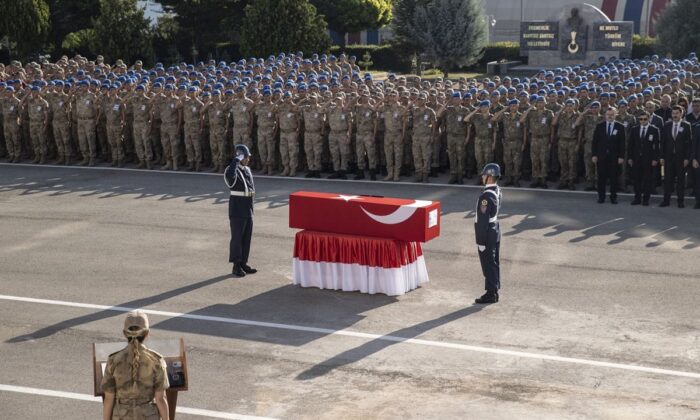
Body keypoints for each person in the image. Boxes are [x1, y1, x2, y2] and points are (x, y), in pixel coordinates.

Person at [101, 311, 170, 420]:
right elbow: (161, 399)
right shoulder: (156, 361)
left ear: (125, 333)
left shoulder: (113, 360)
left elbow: (109, 399)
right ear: (147, 333)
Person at [225, 144, 258, 277]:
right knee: (237, 238)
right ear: (240, 156)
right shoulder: (231, 169)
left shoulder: (247, 170)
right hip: (237, 207)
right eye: (246, 156)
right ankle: (236, 265)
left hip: (248, 206)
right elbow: (230, 178)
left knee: (246, 237)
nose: (248, 159)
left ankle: (243, 262)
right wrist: (235, 161)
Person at [474, 163, 502, 305]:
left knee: (488, 263)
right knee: (494, 261)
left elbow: (483, 221)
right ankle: (494, 289)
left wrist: (480, 241)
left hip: (488, 231)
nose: (483, 176)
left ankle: (491, 293)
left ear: (490, 177)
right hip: (495, 228)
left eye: (485, 174)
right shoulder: (497, 190)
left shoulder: (486, 196)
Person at [660, 105, 692, 208]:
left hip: (681, 159)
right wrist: (662, 157)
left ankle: (680, 202)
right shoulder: (667, 125)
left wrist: (687, 158)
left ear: (681, 113)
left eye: (677, 113)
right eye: (673, 113)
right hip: (668, 158)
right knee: (668, 180)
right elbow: (663, 142)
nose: (674, 115)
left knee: (681, 181)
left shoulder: (686, 126)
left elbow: (689, 144)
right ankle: (666, 201)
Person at [592, 107, 626, 204]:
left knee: (614, 178)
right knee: (601, 178)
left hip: (614, 157)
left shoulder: (620, 126)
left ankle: (613, 197)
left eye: (612, 114)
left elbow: (622, 143)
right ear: (605, 115)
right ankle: (601, 197)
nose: (610, 116)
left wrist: (621, 156)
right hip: (601, 156)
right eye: (608, 114)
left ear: (616, 115)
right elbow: (595, 142)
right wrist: (594, 155)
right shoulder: (600, 126)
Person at [628, 112, 660, 206]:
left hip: (648, 159)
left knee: (647, 180)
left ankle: (646, 199)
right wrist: (630, 157)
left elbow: (657, 145)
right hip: (636, 158)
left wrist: (655, 158)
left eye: (645, 119)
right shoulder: (634, 129)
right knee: (636, 179)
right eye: (640, 119)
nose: (642, 121)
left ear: (649, 119)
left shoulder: (654, 129)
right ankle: (637, 198)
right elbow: (631, 145)